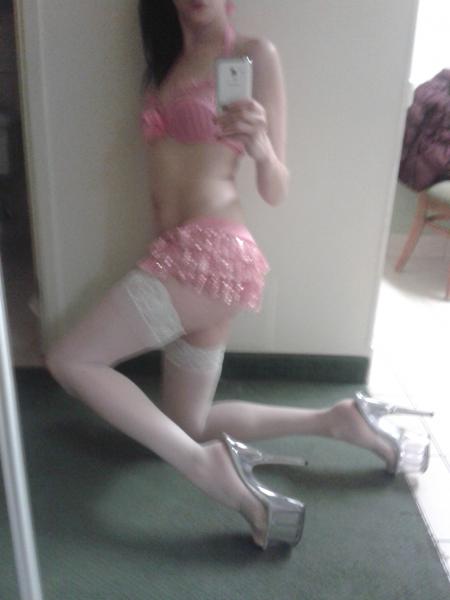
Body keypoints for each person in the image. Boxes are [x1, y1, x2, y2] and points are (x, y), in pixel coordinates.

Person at [45, 0, 433, 551]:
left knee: (71, 359)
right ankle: (339, 420)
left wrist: (262, 147)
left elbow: (276, 188)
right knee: (189, 422)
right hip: (180, 260)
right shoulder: (166, 62)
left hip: (211, 254)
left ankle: (205, 468)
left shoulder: (252, 54)